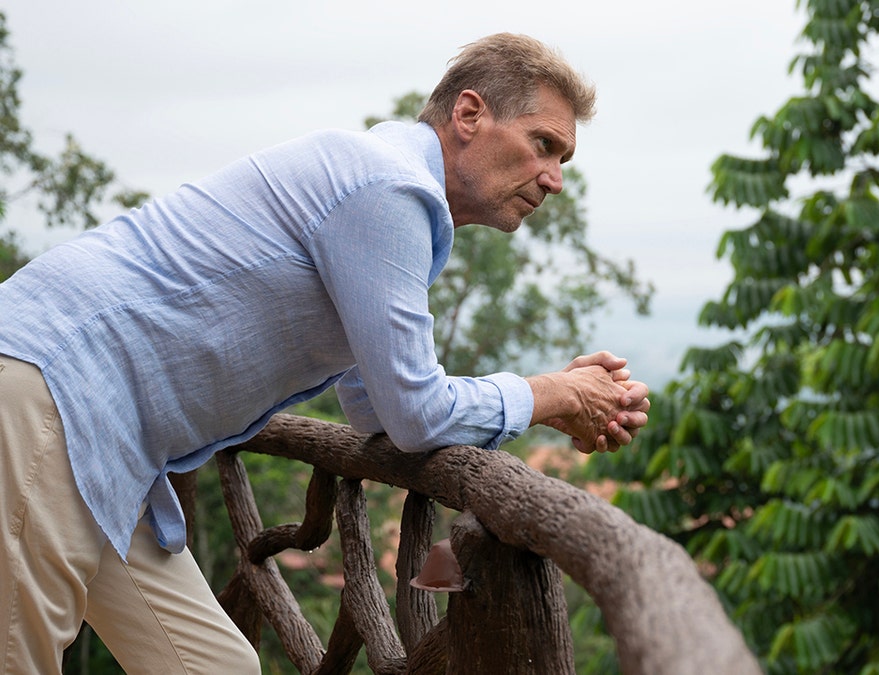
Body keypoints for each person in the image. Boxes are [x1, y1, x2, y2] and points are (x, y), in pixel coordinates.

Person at [0, 33, 650, 673]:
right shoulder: (387, 190)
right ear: (470, 114)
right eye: (545, 145)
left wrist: (547, 399)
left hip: (106, 441)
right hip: (54, 389)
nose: (556, 179)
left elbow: (374, 410)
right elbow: (416, 411)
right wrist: (554, 394)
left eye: (564, 158)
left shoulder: (388, 197)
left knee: (216, 664)